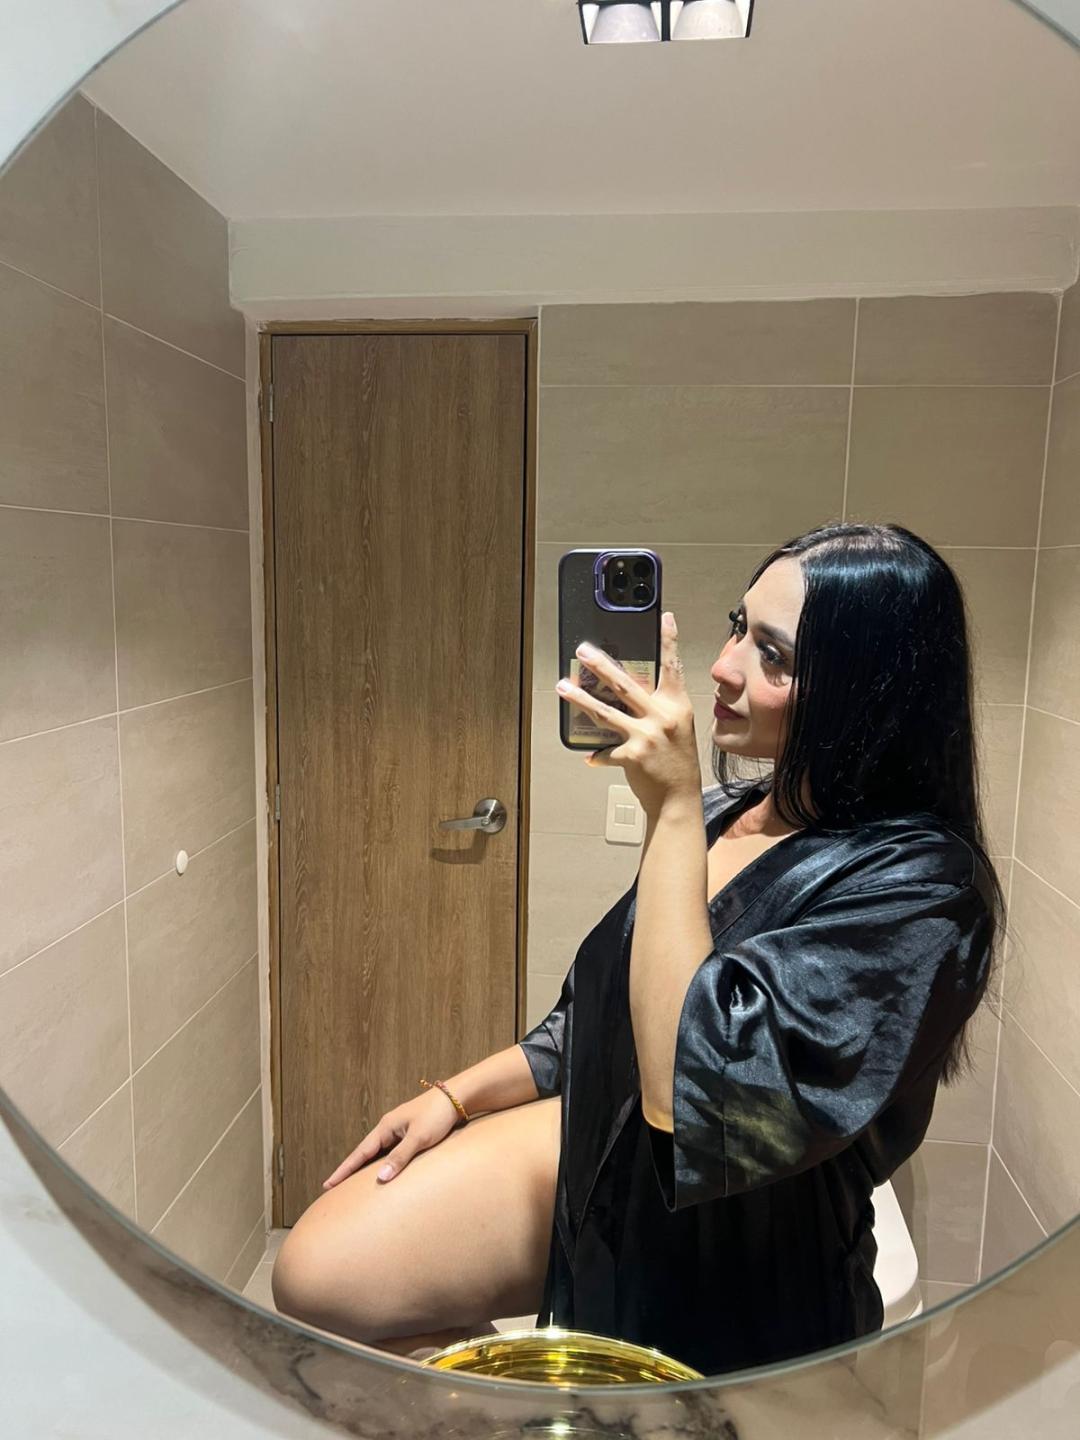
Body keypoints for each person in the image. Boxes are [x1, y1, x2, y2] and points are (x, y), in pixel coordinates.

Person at [271, 520, 1005, 1376]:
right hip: (613, 1201)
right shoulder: (737, 812)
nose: (723, 667)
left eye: (773, 656)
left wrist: (673, 809)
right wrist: (457, 1097)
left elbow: (697, 1100)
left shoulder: (926, 888)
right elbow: (602, 1011)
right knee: (319, 1278)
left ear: (867, 692)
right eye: (738, 627)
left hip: (743, 1278)